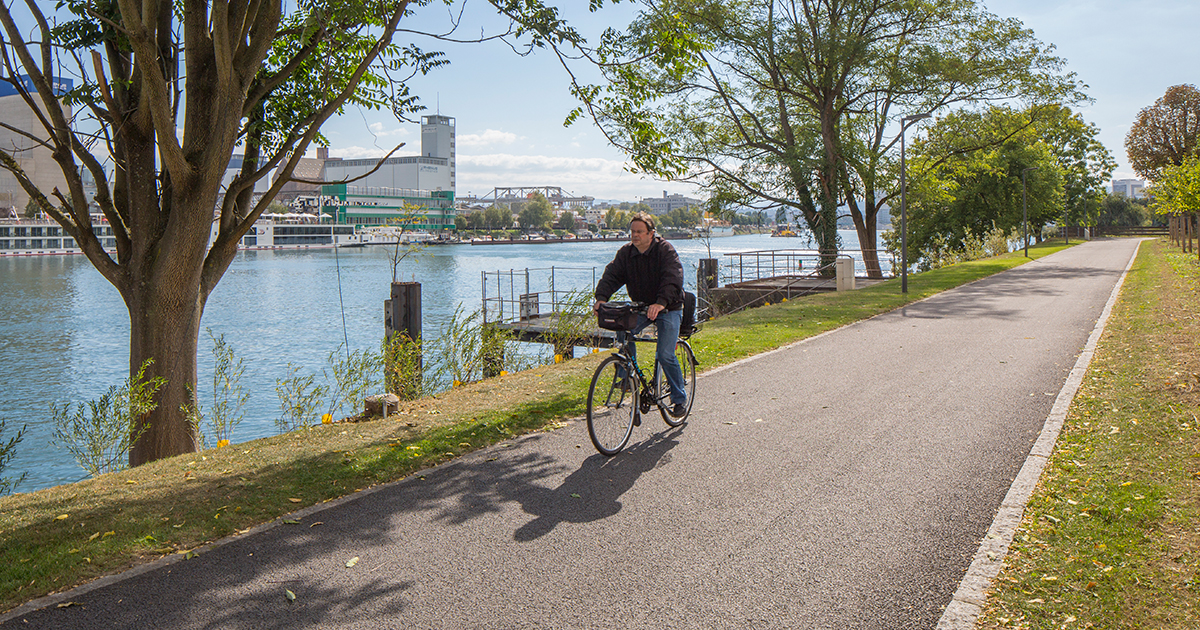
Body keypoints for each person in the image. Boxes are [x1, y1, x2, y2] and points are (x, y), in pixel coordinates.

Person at [593, 212, 688, 418]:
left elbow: (673, 278)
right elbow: (612, 275)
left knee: (665, 354)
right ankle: (626, 376)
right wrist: (601, 297)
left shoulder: (665, 250)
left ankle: (679, 398)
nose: (634, 236)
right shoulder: (626, 253)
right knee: (622, 328)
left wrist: (661, 303)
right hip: (641, 306)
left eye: (639, 232)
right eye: (632, 232)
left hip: (669, 306)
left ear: (651, 233)